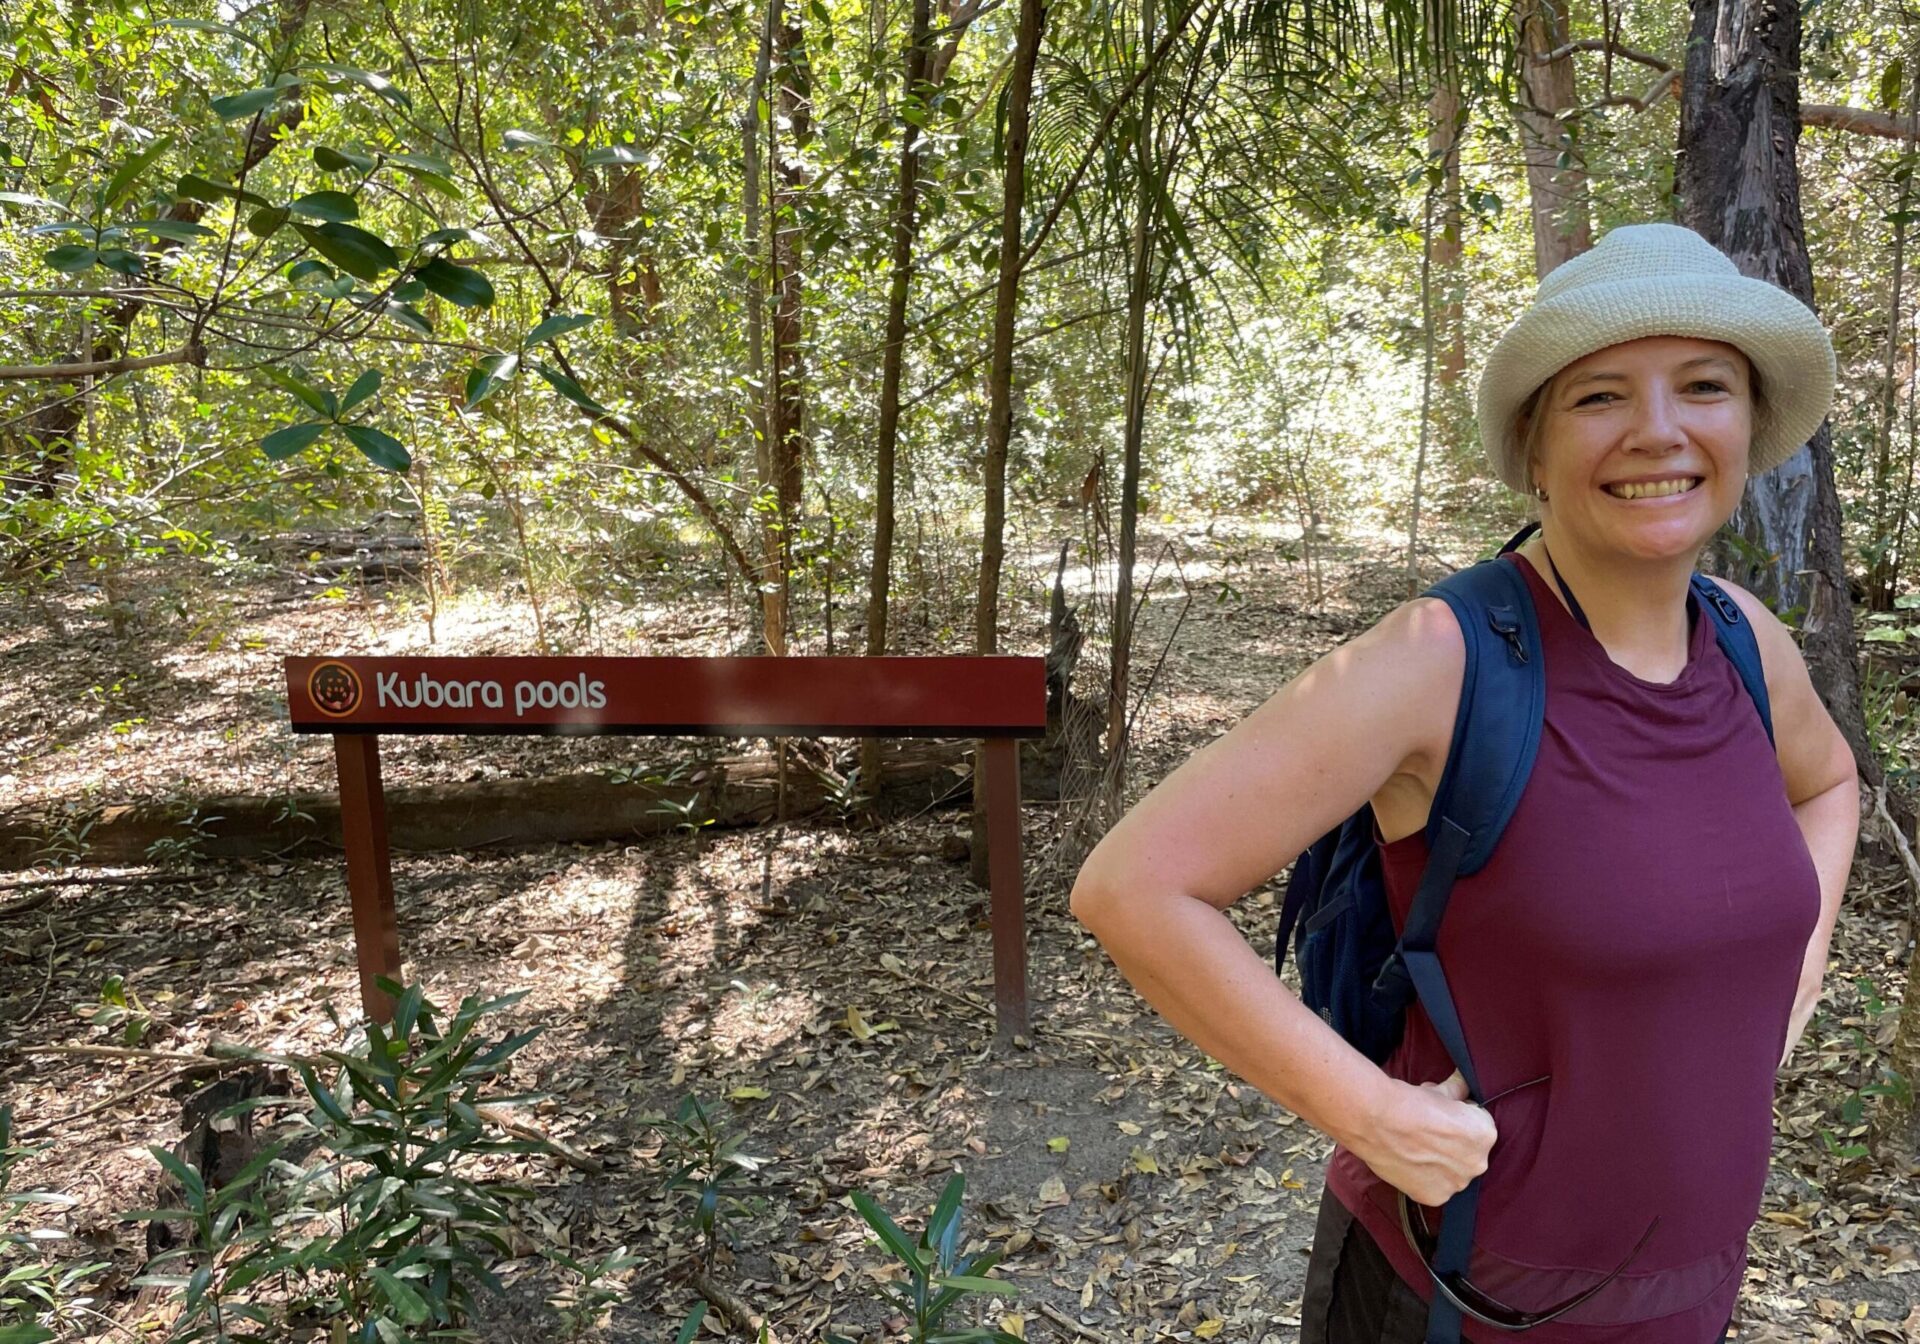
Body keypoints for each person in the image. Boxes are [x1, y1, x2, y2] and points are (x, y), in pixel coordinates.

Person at [1067, 223, 1860, 1344]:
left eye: (1703, 386)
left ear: (1749, 427)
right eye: (1600, 397)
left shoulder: (1745, 643)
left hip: (1689, 1286)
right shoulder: (1437, 658)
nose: (1661, 430)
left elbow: (1829, 787)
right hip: (1462, 1295)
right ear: (1533, 446)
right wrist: (1371, 1115)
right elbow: (1134, 886)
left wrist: (1804, 958)